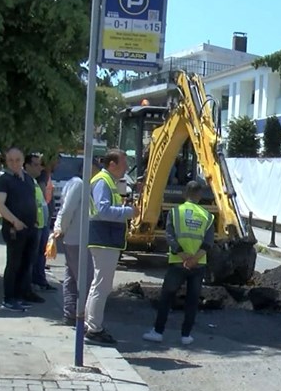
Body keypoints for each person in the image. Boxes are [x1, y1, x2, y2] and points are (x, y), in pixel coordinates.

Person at [142, 180, 215, 346]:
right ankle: (186, 335)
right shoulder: (208, 216)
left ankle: (158, 332)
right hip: (198, 265)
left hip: (177, 262)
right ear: (200, 195)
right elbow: (208, 242)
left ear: (185, 194)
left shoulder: (175, 212)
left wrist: (183, 255)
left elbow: (170, 236)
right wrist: (194, 259)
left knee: (166, 298)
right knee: (192, 300)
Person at [85, 148, 135, 345]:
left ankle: (92, 325)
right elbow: (103, 210)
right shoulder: (102, 181)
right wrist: (128, 211)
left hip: (105, 240)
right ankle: (94, 328)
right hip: (103, 240)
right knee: (102, 286)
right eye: (123, 163)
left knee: (100, 285)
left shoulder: (107, 181)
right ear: (112, 164)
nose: (126, 168)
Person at [0, 148, 43, 312]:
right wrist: (15, 221)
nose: (14, 163)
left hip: (30, 228)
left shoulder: (28, 179)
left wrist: (35, 221)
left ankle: (19, 297)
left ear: (23, 161)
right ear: (6, 162)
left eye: (17, 160)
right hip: (14, 229)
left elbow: (33, 201)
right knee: (13, 264)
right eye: (10, 160)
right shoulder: (4, 180)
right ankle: (8, 298)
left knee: (26, 263)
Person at [52, 158, 98, 326]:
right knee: (84, 278)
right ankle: (81, 316)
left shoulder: (75, 184)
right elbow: (67, 210)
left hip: (73, 238)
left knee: (71, 277)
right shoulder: (79, 185)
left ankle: (70, 313)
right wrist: (60, 229)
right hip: (77, 239)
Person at [26, 153, 54, 292]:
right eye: (36, 165)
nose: (40, 168)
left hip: (41, 224)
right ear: (27, 166)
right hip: (35, 226)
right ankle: (29, 285)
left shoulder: (35, 181)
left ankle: (37, 281)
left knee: (39, 254)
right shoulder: (29, 181)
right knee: (32, 256)